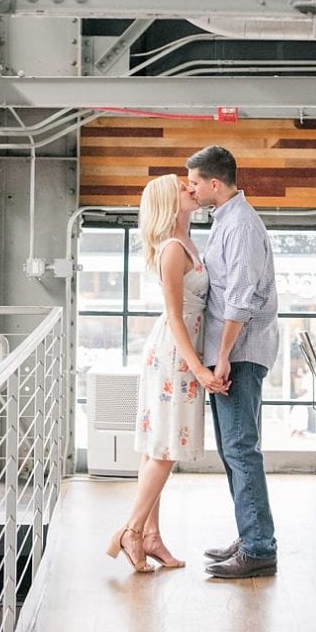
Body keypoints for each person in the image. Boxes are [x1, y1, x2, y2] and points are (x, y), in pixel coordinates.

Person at [107, 173, 226, 573]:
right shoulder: (173, 249)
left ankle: (151, 537)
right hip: (175, 351)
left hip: (178, 349)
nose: (192, 189)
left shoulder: (188, 243)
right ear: (168, 202)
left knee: (158, 445)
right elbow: (175, 316)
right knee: (165, 448)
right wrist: (199, 368)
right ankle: (132, 530)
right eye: (183, 187)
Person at [185, 144, 280, 580]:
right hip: (231, 353)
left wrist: (221, 357)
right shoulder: (226, 221)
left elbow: (240, 300)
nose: (192, 189)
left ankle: (259, 546)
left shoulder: (240, 225)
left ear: (215, 184)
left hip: (238, 354)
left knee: (241, 448)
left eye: (195, 183)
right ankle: (250, 535)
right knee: (233, 449)